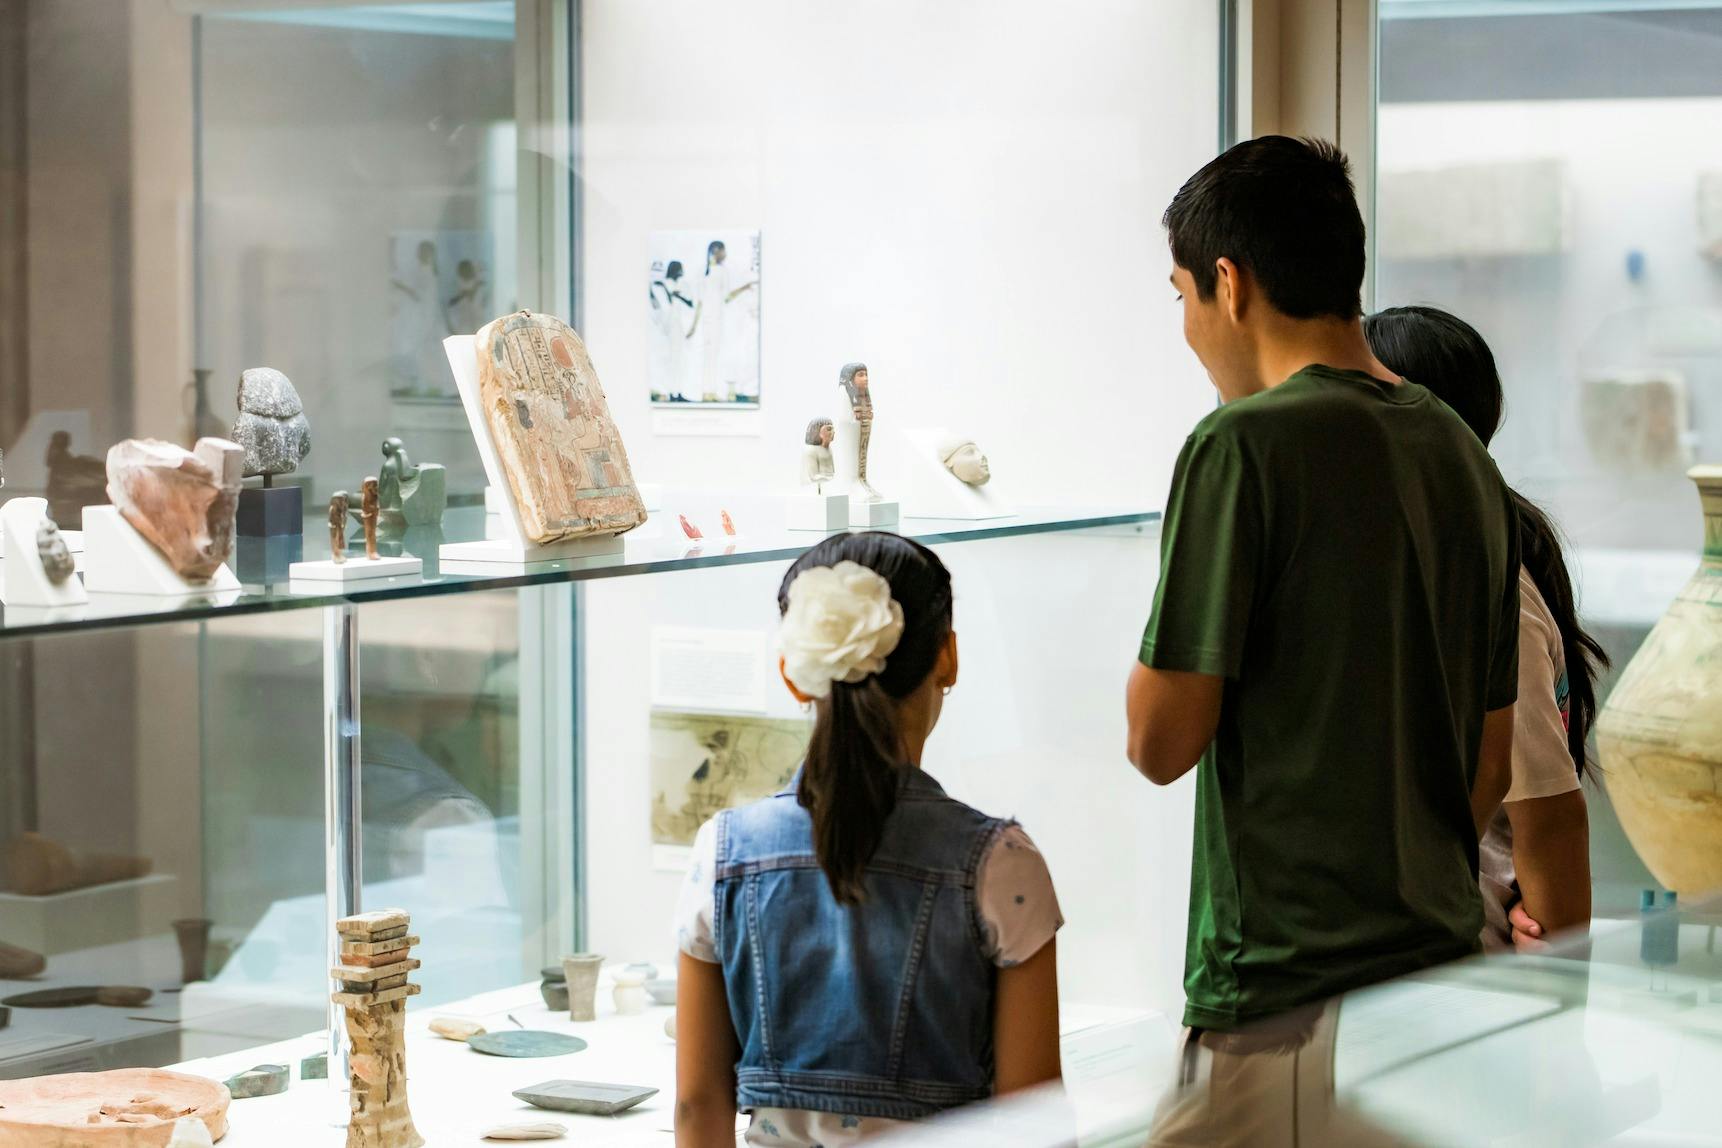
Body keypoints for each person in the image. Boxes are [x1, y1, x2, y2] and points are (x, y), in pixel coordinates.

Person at [1125, 136, 1522, 1036]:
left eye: (1182, 298)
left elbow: (1158, 742)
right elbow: (1490, 763)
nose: (1189, 329)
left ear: (1230, 283)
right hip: (1435, 968)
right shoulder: (1462, 453)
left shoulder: (1240, 447)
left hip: (1284, 985)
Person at [675, 533, 1063, 1148]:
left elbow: (698, 1109)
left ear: (793, 674)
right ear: (948, 657)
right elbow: (1033, 1124)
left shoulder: (721, 853)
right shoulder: (1001, 862)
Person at [1366, 305, 1604, 951]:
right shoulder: (1438, 556)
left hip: (1471, 960)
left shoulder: (1480, 577)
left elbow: (1550, 812)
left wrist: (1556, 974)